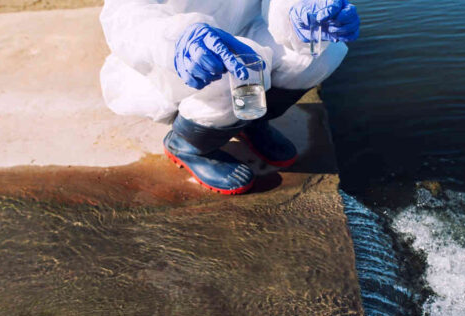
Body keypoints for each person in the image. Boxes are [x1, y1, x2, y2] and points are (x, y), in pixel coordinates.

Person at [100, 0, 360, 194]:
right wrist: (178, 39)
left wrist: (305, 12)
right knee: (230, 71)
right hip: (172, 53)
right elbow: (125, 16)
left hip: (246, 29)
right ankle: (189, 144)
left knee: (320, 51)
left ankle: (249, 122)